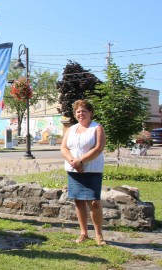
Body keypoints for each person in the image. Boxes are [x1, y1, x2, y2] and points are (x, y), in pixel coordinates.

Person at [60, 99, 107, 246]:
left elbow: (98, 148)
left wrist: (81, 161)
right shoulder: (71, 129)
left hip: (92, 170)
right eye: (78, 111)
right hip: (74, 170)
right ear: (75, 114)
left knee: (94, 202)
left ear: (90, 113)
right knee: (79, 201)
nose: (81, 114)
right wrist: (73, 161)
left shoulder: (97, 128)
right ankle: (83, 233)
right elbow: (64, 148)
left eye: (84, 111)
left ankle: (99, 235)